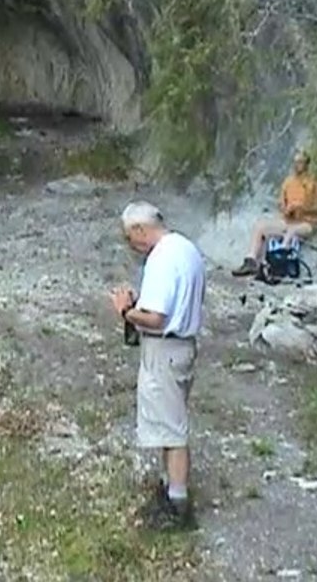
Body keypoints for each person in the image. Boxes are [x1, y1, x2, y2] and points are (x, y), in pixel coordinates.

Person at [109, 201, 205, 532]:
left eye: (129, 237)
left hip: (165, 349)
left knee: (173, 429)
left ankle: (177, 504)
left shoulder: (161, 259)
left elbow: (156, 318)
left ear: (140, 228)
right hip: (184, 346)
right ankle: (168, 487)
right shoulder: (186, 249)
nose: (131, 245)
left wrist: (126, 311)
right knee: (168, 423)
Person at [232, 150, 317, 277]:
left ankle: (280, 264)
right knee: (260, 227)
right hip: (289, 220)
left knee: (292, 231)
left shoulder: (315, 183)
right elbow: (281, 203)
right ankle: (251, 261)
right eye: (295, 162)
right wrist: (285, 209)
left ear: (306, 164)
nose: (296, 165)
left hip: (307, 223)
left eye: (300, 162)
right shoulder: (288, 182)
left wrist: (301, 207)